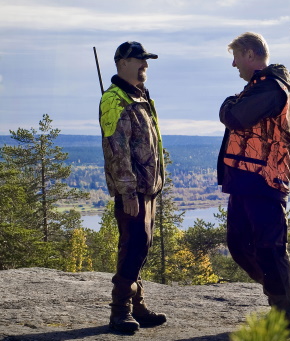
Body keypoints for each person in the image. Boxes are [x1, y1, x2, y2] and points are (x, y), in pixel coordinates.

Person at [217, 32, 290, 334]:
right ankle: (282, 302)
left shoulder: (271, 88)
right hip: (245, 179)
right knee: (240, 246)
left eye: (236, 56)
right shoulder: (259, 88)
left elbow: (236, 117)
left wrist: (227, 103)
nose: (233, 63)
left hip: (264, 179)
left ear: (250, 55)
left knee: (269, 248)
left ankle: (284, 316)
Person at [99, 41, 166, 334]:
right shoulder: (115, 99)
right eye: (140, 60)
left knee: (141, 247)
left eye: (146, 60)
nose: (145, 65)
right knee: (132, 247)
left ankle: (137, 305)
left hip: (146, 188)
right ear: (122, 62)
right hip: (133, 191)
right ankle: (120, 311)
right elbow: (117, 150)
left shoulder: (140, 97)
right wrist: (127, 191)